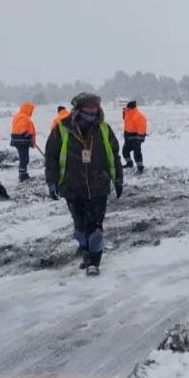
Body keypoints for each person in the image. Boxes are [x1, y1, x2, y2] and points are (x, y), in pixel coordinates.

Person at [44, 93, 124, 276]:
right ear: (79, 108)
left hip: (99, 185)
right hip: (72, 186)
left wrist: (118, 178)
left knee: (95, 227)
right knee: (80, 228)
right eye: (89, 107)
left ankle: (94, 261)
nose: (93, 110)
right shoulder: (62, 129)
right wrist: (52, 181)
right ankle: (86, 251)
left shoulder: (104, 129)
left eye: (95, 107)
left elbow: (114, 156)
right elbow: (51, 158)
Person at [9, 102, 37, 182]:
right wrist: (27, 134)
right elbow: (20, 128)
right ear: (28, 109)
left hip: (20, 140)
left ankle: (23, 173)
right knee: (24, 158)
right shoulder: (23, 117)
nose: (32, 111)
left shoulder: (21, 116)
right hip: (21, 141)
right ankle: (22, 175)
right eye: (31, 110)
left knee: (24, 158)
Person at [122, 100, 148, 174]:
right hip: (127, 136)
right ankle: (129, 164)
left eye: (128, 108)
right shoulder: (128, 113)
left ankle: (140, 168)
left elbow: (142, 128)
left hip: (136, 137)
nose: (127, 109)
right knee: (125, 151)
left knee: (137, 153)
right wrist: (124, 113)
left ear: (132, 108)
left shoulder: (139, 116)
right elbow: (126, 120)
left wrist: (139, 138)